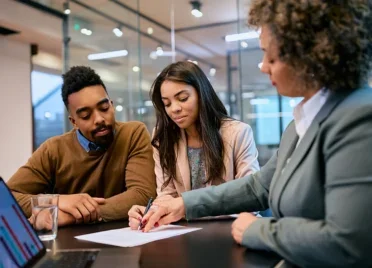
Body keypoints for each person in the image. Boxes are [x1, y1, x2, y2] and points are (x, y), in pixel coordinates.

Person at [129, 0, 372, 266]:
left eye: (271, 57)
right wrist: (182, 204)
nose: (263, 66)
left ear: (308, 54)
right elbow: (260, 186)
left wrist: (257, 229)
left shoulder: (358, 118)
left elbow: (349, 243)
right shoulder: (299, 126)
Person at [7, 66, 156, 226]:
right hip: (69, 245)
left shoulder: (133, 133)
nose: (99, 119)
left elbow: (142, 194)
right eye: (86, 115)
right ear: (74, 122)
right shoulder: (53, 150)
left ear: (111, 106)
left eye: (104, 108)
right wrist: (56, 202)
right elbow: (6, 199)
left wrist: (69, 216)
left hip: (126, 242)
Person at [128, 61, 260, 227]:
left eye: (183, 98)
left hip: (229, 231)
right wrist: (152, 211)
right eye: (167, 103)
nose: (174, 109)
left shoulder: (238, 133)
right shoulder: (163, 138)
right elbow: (167, 195)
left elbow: (250, 198)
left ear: (201, 94)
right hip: (184, 234)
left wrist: (188, 208)